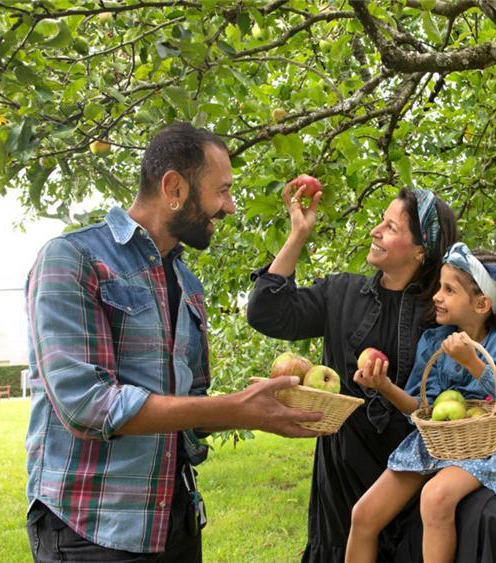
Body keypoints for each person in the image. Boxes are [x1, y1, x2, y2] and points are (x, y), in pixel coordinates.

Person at [24, 122, 322, 562]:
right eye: (222, 191)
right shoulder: (73, 258)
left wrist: (259, 410)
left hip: (174, 523)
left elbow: (190, 407)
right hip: (91, 528)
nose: (229, 207)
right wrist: (235, 408)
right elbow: (84, 405)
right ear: (174, 188)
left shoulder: (187, 283)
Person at [247, 183, 496, 562]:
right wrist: (299, 233)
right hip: (344, 481)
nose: (375, 231)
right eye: (381, 221)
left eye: (391, 227)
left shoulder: (444, 309)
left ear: (421, 250)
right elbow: (265, 312)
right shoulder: (340, 294)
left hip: (419, 480)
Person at [346, 243, 496, 563]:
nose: (437, 296)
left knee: (436, 497)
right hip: (437, 442)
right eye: (440, 286)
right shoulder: (434, 341)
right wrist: (384, 386)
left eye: (449, 290)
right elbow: (420, 410)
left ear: (481, 303)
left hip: (489, 447)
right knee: (364, 514)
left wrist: (474, 364)